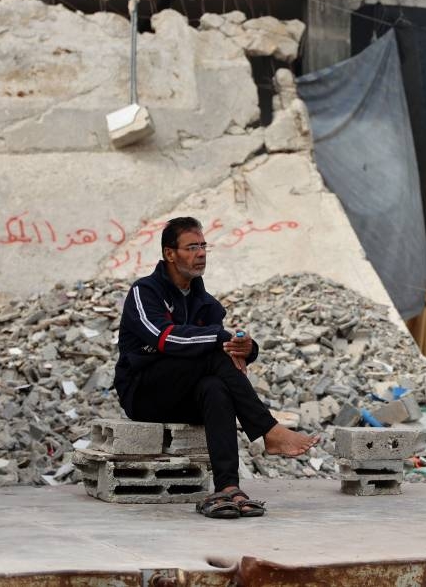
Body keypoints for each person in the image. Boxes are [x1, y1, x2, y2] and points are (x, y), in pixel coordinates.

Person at [113, 216, 317, 519]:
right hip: (145, 392)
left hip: (186, 398)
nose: (201, 254)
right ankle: (267, 429)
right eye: (192, 247)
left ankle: (227, 487)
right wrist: (222, 339)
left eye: (204, 246)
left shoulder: (206, 304)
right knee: (213, 355)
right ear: (170, 254)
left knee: (216, 386)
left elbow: (220, 350)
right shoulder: (145, 292)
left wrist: (246, 349)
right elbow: (164, 339)